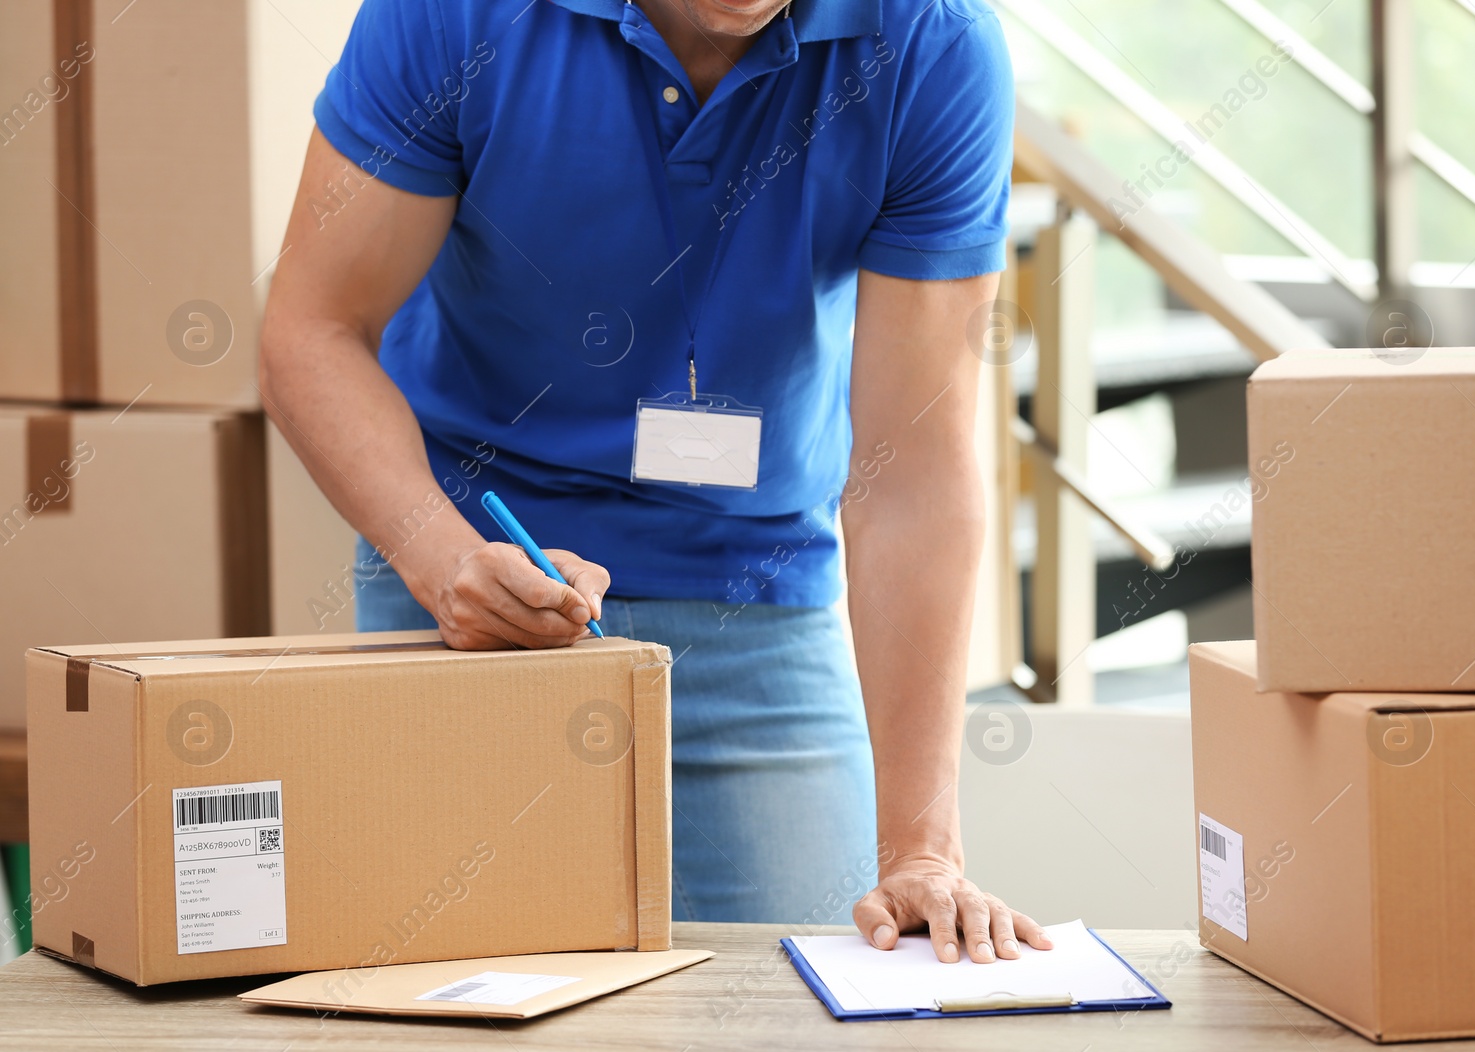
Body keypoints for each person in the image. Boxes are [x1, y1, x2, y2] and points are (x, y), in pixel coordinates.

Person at [260, 0, 1052, 965]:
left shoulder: (934, 41)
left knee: (812, 1002)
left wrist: (924, 847)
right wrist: (443, 561)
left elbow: (916, 469)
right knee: (451, 1004)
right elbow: (312, 330)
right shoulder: (455, 13)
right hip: (471, 579)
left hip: (757, 594)